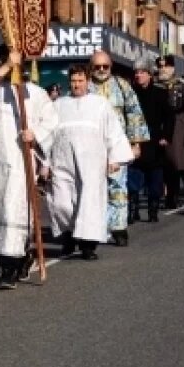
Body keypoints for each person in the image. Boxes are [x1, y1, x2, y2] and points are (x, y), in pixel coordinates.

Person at [0, 46, 59, 289]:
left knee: (17, 211)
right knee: (0, 211)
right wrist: (5, 68)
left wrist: (35, 134)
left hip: (23, 162)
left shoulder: (36, 93)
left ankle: (11, 266)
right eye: (7, 61)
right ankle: (15, 260)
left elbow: (51, 123)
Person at [48, 65, 134, 260]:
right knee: (62, 201)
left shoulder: (100, 104)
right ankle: (68, 235)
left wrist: (115, 158)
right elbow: (48, 133)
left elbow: (112, 131)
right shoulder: (59, 105)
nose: (76, 85)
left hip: (92, 163)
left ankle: (88, 246)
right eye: (73, 81)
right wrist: (45, 163)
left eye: (80, 81)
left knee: (89, 202)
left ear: (87, 81)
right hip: (63, 161)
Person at [87, 50, 148, 246]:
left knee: (118, 187)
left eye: (105, 66)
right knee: (94, 188)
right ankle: (96, 228)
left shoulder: (122, 85)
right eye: (97, 67)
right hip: (92, 146)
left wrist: (135, 142)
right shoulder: (85, 86)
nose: (102, 70)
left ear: (111, 67)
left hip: (117, 144)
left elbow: (134, 112)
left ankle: (119, 228)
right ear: (91, 67)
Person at [131, 65, 171, 222]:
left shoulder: (160, 93)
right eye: (137, 73)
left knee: (155, 175)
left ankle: (153, 208)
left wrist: (166, 136)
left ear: (149, 75)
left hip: (155, 139)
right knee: (134, 174)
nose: (138, 75)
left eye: (142, 72)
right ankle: (132, 209)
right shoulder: (131, 93)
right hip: (135, 139)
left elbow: (169, 117)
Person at [154, 55, 184, 207]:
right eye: (160, 66)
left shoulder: (180, 83)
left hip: (178, 122)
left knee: (176, 158)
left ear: (172, 68)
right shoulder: (155, 83)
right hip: (160, 123)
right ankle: (164, 192)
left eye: (166, 66)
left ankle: (181, 189)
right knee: (161, 159)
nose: (163, 69)